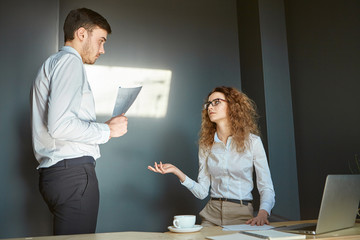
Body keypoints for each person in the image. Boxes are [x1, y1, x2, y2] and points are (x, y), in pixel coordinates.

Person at [31, 8, 128, 235]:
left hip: (57, 174)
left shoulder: (52, 63)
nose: (103, 49)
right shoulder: (70, 63)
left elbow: (59, 121)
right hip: (73, 174)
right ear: (82, 34)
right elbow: (60, 125)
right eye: (101, 41)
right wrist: (107, 130)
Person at [148, 86, 275, 226]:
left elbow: (266, 187)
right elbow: (202, 192)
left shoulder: (252, 142)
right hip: (211, 215)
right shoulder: (206, 144)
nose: (210, 107)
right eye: (208, 103)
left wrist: (263, 213)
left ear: (232, 105)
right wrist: (177, 172)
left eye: (216, 102)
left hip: (241, 215)